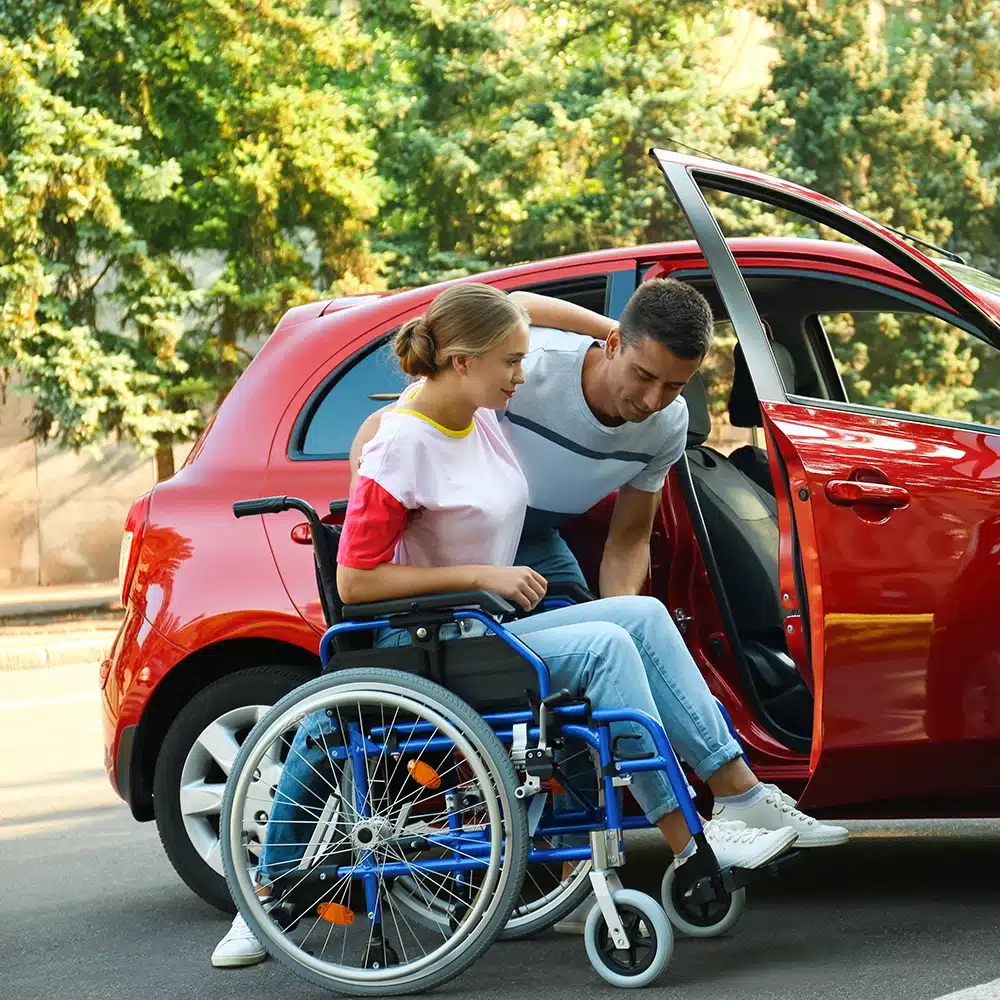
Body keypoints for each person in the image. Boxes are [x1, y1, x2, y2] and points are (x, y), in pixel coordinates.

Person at [212, 282, 845, 968]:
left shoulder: (481, 415)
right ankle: (685, 841)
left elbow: (509, 310)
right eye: (512, 360)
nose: (528, 369)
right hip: (436, 631)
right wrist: (482, 576)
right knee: (603, 646)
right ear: (463, 362)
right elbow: (355, 583)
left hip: (489, 613)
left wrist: (495, 577)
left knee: (643, 615)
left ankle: (740, 799)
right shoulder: (404, 444)